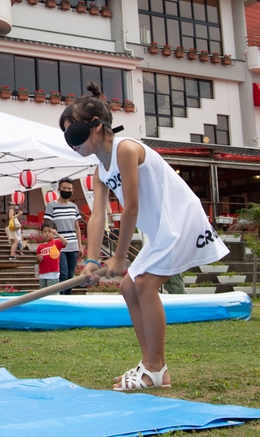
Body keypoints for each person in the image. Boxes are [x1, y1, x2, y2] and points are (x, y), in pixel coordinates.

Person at [63, 82, 228, 391]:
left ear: (96, 126)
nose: (71, 143)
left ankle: (154, 367)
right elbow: (98, 215)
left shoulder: (125, 148)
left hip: (179, 220)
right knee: (129, 288)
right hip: (160, 230)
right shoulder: (100, 168)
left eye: (74, 133)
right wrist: (91, 259)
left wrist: (119, 256)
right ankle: (153, 367)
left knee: (143, 283)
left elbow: (132, 207)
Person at [45, 177, 84, 295]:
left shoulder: (74, 207)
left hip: (73, 245)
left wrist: (80, 246)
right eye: (64, 188)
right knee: (63, 272)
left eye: (69, 189)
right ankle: (61, 298)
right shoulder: (51, 206)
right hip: (58, 245)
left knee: (71, 274)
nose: (67, 190)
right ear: (59, 189)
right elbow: (47, 226)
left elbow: (77, 227)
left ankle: (68, 297)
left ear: (72, 191)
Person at [36, 220, 68, 288]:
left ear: (53, 232)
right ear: (42, 233)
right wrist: (38, 258)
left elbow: (65, 242)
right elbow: (38, 260)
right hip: (42, 274)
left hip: (53, 274)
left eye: (49, 231)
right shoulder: (40, 246)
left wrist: (57, 234)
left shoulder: (56, 243)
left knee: (53, 293)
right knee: (42, 294)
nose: (47, 233)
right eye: (44, 232)